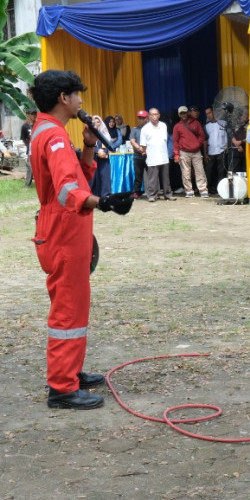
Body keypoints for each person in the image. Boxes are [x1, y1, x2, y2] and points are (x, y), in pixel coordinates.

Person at [28, 69, 133, 409]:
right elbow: (68, 191)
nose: (82, 101)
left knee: (75, 304)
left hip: (66, 229)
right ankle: (61, 387)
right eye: (78, 95)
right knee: (68, 309)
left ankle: (70, 372)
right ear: (64, 98)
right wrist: (102, 203)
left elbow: (78, 176)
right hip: (63, 230)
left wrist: (89, 146)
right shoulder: (54, 138)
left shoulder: (50, 131)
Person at [140, 108, 176, 202]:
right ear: (149, 116)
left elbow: (165, 140)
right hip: (152, 156)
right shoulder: (145, 129)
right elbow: (143, 145)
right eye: (152, 114)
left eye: (156, 114)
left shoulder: (163, 125)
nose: (154, 116)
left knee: (166, 178)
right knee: (153, 178)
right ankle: (152, 195)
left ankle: (168, 195)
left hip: (163, 155)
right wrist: (147, 152)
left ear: (159, 115)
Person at [173, 105, 208, 198]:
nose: (183, 115)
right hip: (183, 152)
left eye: (185, 112)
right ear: (179, 115)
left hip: (196, 151)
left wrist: (197, 144)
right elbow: (175, 142)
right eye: (181, 113)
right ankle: (189, 191)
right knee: (186, 172)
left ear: (187, 113)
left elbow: (202, 136)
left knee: (200, 171)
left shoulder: (196, 123)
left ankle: (203, 190)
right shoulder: (177, 127)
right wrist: (176, 154)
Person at [204, 105, 228, 195]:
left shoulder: (223, 123)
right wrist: (205, 153)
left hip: (221, 151)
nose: (208, 115)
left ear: (214, 112)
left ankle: (220, 190)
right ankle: (208, 189)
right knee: (209, 171)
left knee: (221, 172)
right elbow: (205, 141)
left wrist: (227, 146)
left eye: (209, 113)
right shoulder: (206, 126)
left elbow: (227, 135)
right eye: (206, 114)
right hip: (211, 152)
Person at [89, 115, 112, 197]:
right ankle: (93, 195)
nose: (96, 123)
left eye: (98, 122)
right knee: (93, 177)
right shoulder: (89, 133)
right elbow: (88, 145)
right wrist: (97, 151)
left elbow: (109, 145)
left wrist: (105, 152)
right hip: (93, 158)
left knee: (104, 176)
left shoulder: (105, 134)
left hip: (104, 158)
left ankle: (106, 195)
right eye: (94, 122)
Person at [129, 110, 148, 199]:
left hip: (149, 155)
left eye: (143, 118)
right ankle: (137, 192)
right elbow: (132, 141)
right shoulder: (134, 129)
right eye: (139, 118)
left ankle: (154, 192)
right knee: (138, 175)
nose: (141, 120)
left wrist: (145, 150)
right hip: (138, 156)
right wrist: (140, 149)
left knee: (152, 175)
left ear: (146, 118)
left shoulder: (150, 129)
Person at [21, 108, 37, 187]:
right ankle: (27, 184)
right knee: (30, 166)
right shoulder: (25, 126)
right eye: (32, 114)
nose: (34, 115)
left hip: (38, 149)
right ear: (28, 115)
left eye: (35, 114)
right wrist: (28, 145)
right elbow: (23, 138)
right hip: (30, 149)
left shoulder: (38, 124)